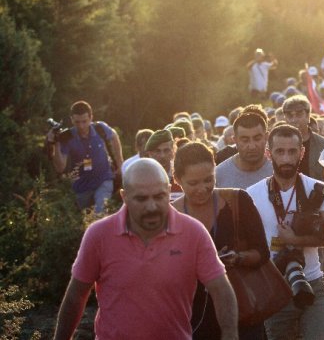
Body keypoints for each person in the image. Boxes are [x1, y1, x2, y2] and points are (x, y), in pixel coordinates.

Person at [53, 158, 238, 340]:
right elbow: (76, 295)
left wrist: (230, 335)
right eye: (141, 199)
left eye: (159, 197)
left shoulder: (193, 233)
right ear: (124, 196)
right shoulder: (99, 235)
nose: (151, 206)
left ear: (168, 191)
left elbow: (221, 290)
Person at [172, 142, 270, 340]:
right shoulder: (171, 215)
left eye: (209, 180)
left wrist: (237, 258)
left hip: (241, 308)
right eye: (193, 183)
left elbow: (262, 252)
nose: (203, 188)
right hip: (193, 314)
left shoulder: (237, 201)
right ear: (177, 180)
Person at [246, 124, 324, 340]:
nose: (286, 159)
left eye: (292, 151)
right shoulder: (251, 195)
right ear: (269, 154)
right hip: (274, 286)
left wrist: (296, 239)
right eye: (280, 151)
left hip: (312, 280)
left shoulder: (319, 190)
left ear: (301, 153)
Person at [46, 101, 124, 213]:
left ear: (91, 117)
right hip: (81, 187)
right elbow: (60, 168)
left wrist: (120, 162)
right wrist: (56, 143)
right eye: (77, 122)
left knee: (100, 212)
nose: (81, 126)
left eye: (84, 121)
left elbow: (114, 136)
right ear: (71, 119)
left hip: (104, 179)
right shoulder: (67, 137)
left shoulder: (100, 128)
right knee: (85, 220)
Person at [217, 110, 273, 190]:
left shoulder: (278, 170)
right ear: (235, 140)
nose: (252, 146)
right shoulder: (219, 174)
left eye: (257, 139)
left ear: (266, 137)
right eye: (245, 140)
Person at [282, 94, 324, 182]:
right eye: (290, 116)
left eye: (299, 114)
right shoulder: (275, 145)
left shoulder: (323, 145)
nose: (294, 120)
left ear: (308, 117)